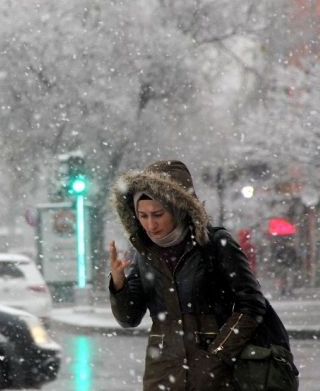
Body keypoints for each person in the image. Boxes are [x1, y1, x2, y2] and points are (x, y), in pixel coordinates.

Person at [108, 160, 295, 390]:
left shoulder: (215, 244)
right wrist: (119, 284)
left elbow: (252, 304)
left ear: (178, 208)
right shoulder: (143, 253)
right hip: (162, 374)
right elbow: (129, 318)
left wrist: (219, 352)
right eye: (142, 215)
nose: (150, 224)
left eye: (158, 214)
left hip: (215, 375)